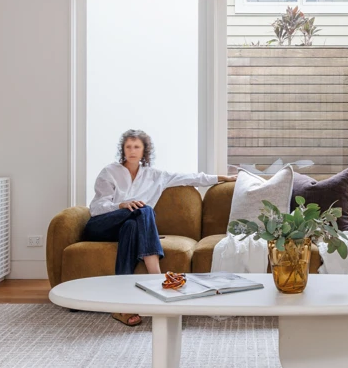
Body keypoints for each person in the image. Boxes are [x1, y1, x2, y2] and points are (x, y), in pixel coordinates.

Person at [85, 129, 236, 326]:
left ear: (144, 150)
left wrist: (222, 177)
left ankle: (121, 305)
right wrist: (121, 205)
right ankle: (156, 279)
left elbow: (190, 177)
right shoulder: (110, 172)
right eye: (128, 146)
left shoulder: (155, 176)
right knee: (144, 209)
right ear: (123, 149)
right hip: (102, 225)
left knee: (132, 224)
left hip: (127, 229)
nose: (132, 150)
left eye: (136, 147)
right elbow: (96, 208)